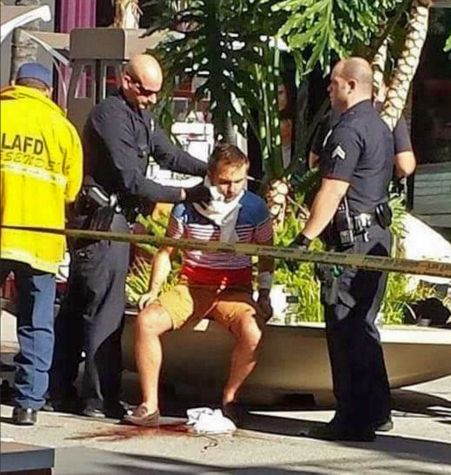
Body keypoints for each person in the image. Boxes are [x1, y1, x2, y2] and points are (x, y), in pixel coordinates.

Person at [48, 54, 210, 419]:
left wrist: (210, 170)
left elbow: (168, 155)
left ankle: (58, 386)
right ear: (126, 80)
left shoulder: (142, 115)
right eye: (146, 91)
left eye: (156, 92)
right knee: (104, 312)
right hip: (104, 223)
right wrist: (185, 195)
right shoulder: (110, 116)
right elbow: (131, 180)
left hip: (114, 221)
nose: (152, 99)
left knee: (77, 307)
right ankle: (99, 397)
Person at [123, 143, 274, 427]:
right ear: (210, 177)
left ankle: (230, 400)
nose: (231, 189)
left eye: (238, 182)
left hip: (234, 290)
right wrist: (154, 290)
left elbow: (267, 255)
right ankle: (149, 404)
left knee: (252, 331)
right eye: (224, 182)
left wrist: (264, 293)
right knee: (147, 321)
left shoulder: (255, 208)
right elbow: (166, 252)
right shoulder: (186, 206)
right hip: (192, 287)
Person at [289, 57, 394, 441]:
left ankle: (352, 419)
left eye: (333, 84)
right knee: (364, 325)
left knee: (346, 328)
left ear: (351, 85)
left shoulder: (347, 130)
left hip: (351, 243)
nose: (329, 89)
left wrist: (304, 239)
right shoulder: (383, 126)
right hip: (377, 237)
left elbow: (333, 189)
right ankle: (377, 410)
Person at [0, 63, 83, 425]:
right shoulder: (64, 130)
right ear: (49, 91)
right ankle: (29, 403)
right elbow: (72, 190)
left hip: (2, 232)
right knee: (36, 323)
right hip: (41, 240)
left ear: (15, 85)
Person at [309, 84, 416, 181]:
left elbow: (313, 161)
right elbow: (405, 165)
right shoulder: (390, 114)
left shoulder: (332, 115)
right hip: (375, 194)